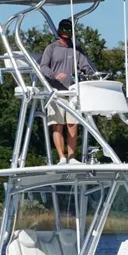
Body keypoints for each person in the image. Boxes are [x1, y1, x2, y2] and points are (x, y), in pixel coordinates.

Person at [39, 18, 97, 164]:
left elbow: (86, 67)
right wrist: (54, 75)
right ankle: (62, 157)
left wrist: (87, 73)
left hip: (72, 92)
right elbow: (43, 67)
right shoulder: (51, 48)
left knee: (73, 125)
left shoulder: (76, 50)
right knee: (57, 125)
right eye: (64, 28)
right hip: (55, 92)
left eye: (69, 29)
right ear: (59, 30)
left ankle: (72, 157)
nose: (66, 31)